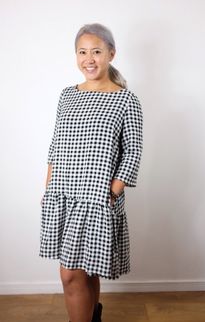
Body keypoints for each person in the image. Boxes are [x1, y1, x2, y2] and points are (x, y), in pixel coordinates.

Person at [39, 23, 143, 322]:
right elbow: (55, 145)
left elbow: (133, 152)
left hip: (98, 199)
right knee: (83, 269)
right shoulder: (67, 96)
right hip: (63, 194)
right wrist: (49, 190)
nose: (89, 59)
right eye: (82, 52)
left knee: (70, 274)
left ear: (111, 53)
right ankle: (92, 315)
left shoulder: (125, 100)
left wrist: (112, 191)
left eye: (96, 51)